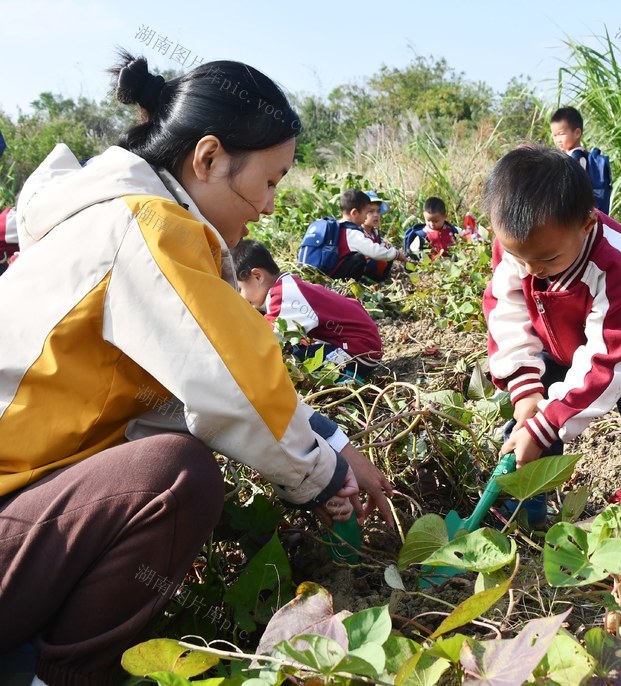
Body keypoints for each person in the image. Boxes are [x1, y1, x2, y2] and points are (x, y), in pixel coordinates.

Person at [0, 53, 393, 684]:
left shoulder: (108, 215)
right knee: (175, 476)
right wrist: (324, 478)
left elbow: (188, 392)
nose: (269, 206)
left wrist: (333, 445)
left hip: (20, 504)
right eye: (269, 181)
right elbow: (231, 386)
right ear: (207, 158)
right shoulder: (147, 225)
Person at [482, 146, 621, 488]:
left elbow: (608, 358)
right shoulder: (522, 246)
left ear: (586, 224)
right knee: (527, 425)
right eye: (519, 258)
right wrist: (524, 388)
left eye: (548, 260)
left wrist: (549, 422)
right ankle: (524, 504)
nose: (531, 270)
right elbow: (507, 310)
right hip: (569, 345)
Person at [232, 239, 383, 380]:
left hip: (359, 352)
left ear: (257, 276)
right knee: (294, 351)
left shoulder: (283, 296)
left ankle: (347, 379)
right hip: (359, 343)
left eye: (240, 289)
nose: (241, 297)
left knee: (293, 366)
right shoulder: (287, 286)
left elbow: (268, 340)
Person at [549, 106, 612, 214]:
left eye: (561, 134)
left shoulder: (577, 157)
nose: (558, 140)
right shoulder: (573, 155)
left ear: (577, 133)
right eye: (555, 135)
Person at [340, 189, 403, 282]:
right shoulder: (355, 232)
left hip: (370, 268)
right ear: (356, 213)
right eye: (370, 212)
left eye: (378, 211)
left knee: (387, 253)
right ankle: (364, 282)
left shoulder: (375, 232)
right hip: (353, 269)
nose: (376, 215)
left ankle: (379, 281)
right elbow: (373, 251)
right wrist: (396, 254)